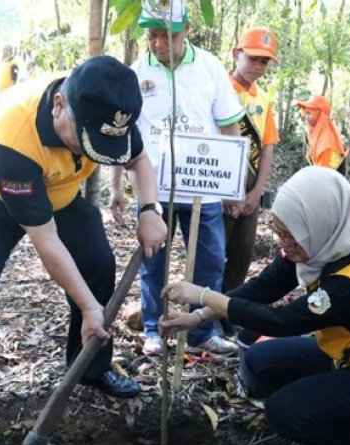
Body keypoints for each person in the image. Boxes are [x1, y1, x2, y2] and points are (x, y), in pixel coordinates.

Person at [0, 56, 167, 432]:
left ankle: (91, 367)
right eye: (85, 141)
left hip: (56, 191)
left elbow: (139, 158)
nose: (90, 153)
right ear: (60, 105)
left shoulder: (108, 110)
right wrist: (90, 307)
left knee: (97, 262)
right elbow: (45, 241)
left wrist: (149, 209)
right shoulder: (13, 133)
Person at [161, 166, 350, 445]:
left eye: (290, 234)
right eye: (279, 231)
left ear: (318, 221)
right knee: (258, 364)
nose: (283, 242)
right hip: (349, 353)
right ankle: (337, 406)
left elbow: (281, 321)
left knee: (285, 414)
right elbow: (264, 287)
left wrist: (204, 295)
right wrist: (199, 316)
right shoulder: (321, 242)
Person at [111, 0, 243, 357]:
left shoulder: (210, 67)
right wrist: (116, 186)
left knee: (209, 259)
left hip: (205, 183)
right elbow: (125, 134)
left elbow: (229, 123)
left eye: (166, 36)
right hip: (155, 187)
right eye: (152, 36)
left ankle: (202, 330)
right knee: (154, 259)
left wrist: (235, 183)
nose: (157, 44)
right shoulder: (137, 73)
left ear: (186, 30)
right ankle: (154, 328)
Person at [222, 27, 280, 295]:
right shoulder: (219, 88)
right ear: (237, 54)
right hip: (220, 186)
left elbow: (268, 146)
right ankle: (201, 313)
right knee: (212, 253)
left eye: (264, 61)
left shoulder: (263, 100)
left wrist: (257, 193)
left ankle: (227, 314)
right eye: (253, 58)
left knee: (242, 255)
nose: (258, 66)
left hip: (250, 186)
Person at [297, 95, 346, 173]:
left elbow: (326, 172)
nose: (306, 117)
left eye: (309, 113)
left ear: (319, 114)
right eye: (305, 113)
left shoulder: (327, 139)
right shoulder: (313, 133)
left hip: (330, 178)